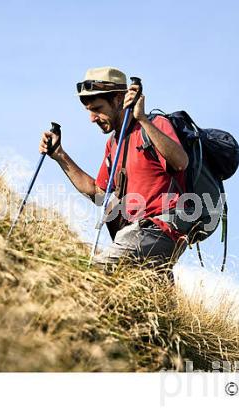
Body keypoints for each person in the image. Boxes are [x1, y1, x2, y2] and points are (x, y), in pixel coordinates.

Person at [39, 67, 189, 280]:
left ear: (119, 99)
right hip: (137, 235)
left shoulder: (155, 125)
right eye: (89, 111)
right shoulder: (114, 144)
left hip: (159, 228)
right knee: (148, 303)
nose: (92, 118)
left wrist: (143, 119)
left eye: (98, 109)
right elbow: (98, 192)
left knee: (93, 274)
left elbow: (181, 162)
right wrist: (59, 155)